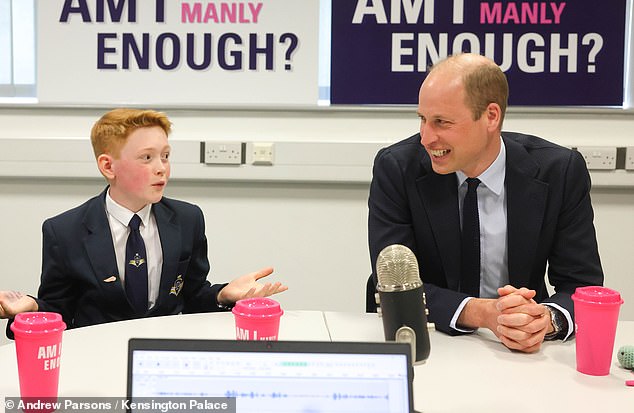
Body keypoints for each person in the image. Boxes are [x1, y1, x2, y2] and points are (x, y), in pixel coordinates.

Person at [367, 53, 603, 353]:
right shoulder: (398, 168)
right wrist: (482, 313)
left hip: (521, 349)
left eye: (442, 122)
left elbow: (582, 284)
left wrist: (545, 319)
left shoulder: (559, 171)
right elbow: (393, 282)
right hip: (431, 340)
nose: (426, 138)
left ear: (491, 116)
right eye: (422, 119)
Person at [1, 108, 287, 337]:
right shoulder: (64, 231)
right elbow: (58, 310)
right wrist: (29, 309)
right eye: (146, 158)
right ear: (108, 166)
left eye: (165, 155)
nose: (161, 167)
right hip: (96, 356)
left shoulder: (188, 219)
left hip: (165, 356)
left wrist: (223, 294)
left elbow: (193, 297)